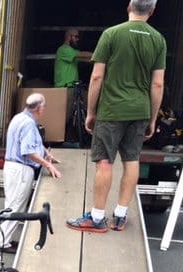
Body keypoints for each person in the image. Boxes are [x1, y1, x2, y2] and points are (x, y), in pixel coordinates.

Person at [66, 0, 166, 233]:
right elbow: (158, 83)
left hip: (111, 110)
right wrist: (152, 118)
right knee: (132, 160)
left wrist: (91, 112)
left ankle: (97, 217)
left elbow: (97, 77)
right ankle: (120, 216)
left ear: (129, 6)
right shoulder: (158, 39)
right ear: (152, 11)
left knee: (105, 162)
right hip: (139, 110)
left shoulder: (111, 34)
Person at [0, 93, 62, 254]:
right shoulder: (28, 124)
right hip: (20, 169)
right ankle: (2, 243)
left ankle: (3, 239)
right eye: (44, 106)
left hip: (11, 167)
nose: (44, 109)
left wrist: (46, 153)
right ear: (39, 108)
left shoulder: (19, 118)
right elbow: (27, 151)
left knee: (11, 205)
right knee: (15, 206)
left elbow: (32, 144)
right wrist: (47, 164)